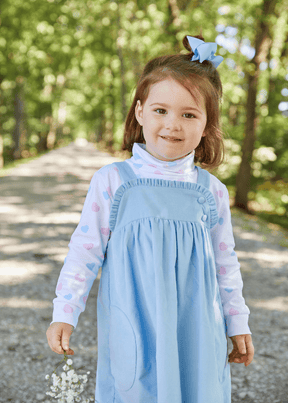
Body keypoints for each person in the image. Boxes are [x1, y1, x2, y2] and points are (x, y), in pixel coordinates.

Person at [46, 34, 254, 403]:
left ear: (206, 125)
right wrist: (66, 310)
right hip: (135, 320)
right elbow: (85, 250)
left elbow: (226, 264)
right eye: (161, 110)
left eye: (189, 114)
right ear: (140, 111)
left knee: (196, 390)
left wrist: (237, 322)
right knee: (134, 388)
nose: (173, 125)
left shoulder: (212, 192)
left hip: (196, 327)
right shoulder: (113, 182)